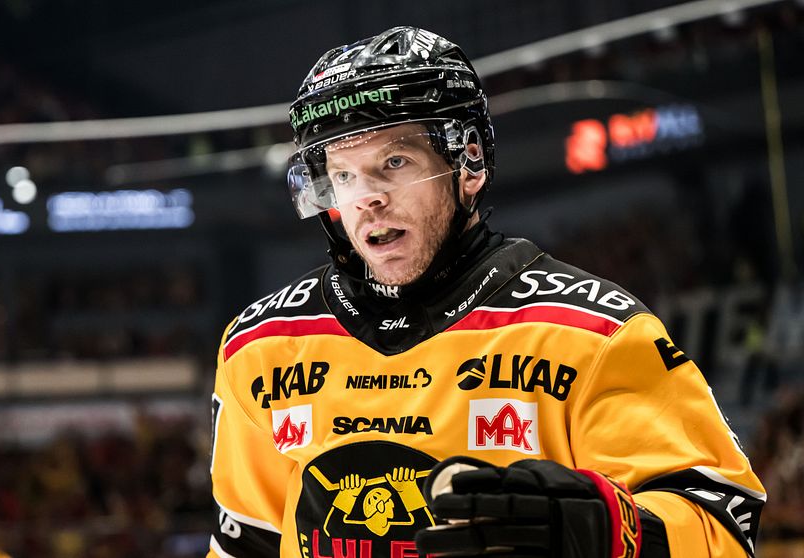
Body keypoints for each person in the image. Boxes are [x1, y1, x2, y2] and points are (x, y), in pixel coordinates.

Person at [208, 26, 765, 558]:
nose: (367, 198)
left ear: (468, 162)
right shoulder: (260, 347)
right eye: (344, 175)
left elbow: (723, 526)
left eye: (394, 162)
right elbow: (246, 544)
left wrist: (613, 532)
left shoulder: (593, 334)